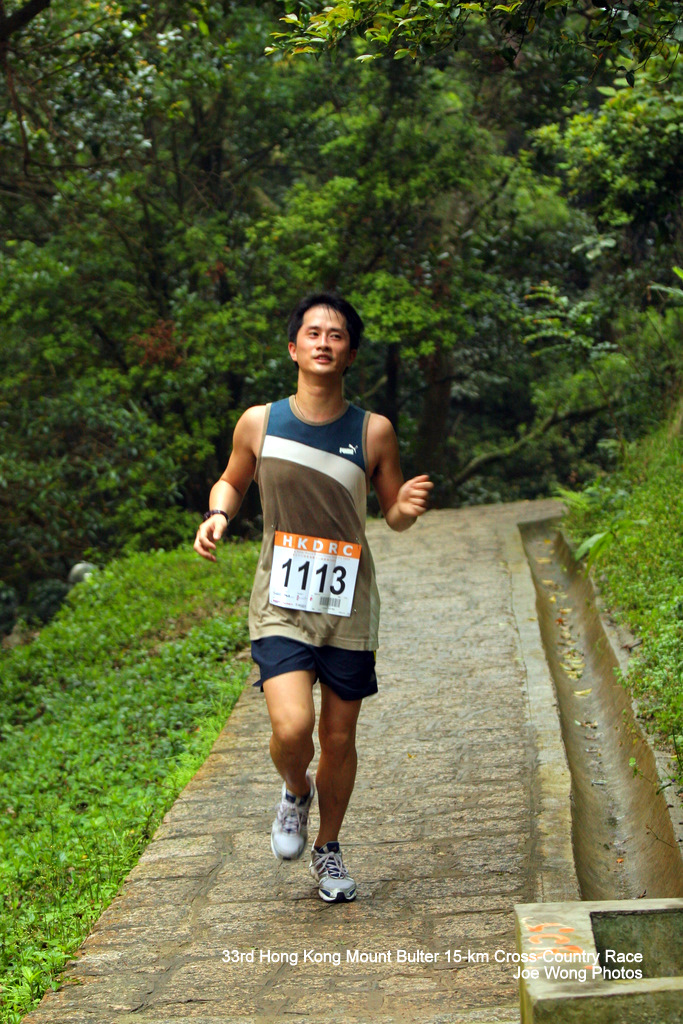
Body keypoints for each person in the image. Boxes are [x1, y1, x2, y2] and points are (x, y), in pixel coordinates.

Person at [194, 293, 432, 902]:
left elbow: (393, 511)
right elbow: (232, 479)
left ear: (350, 354)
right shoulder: (260, 422)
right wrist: (218, 514)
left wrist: (404, 508)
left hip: (347, 603)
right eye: (313, 333)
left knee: (341, 738)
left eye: (337, 335)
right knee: (294, 726)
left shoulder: (373, 431)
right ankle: (295, 789)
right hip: (280, 600)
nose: (325, 342)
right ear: (293, 348)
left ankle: (328, 848)